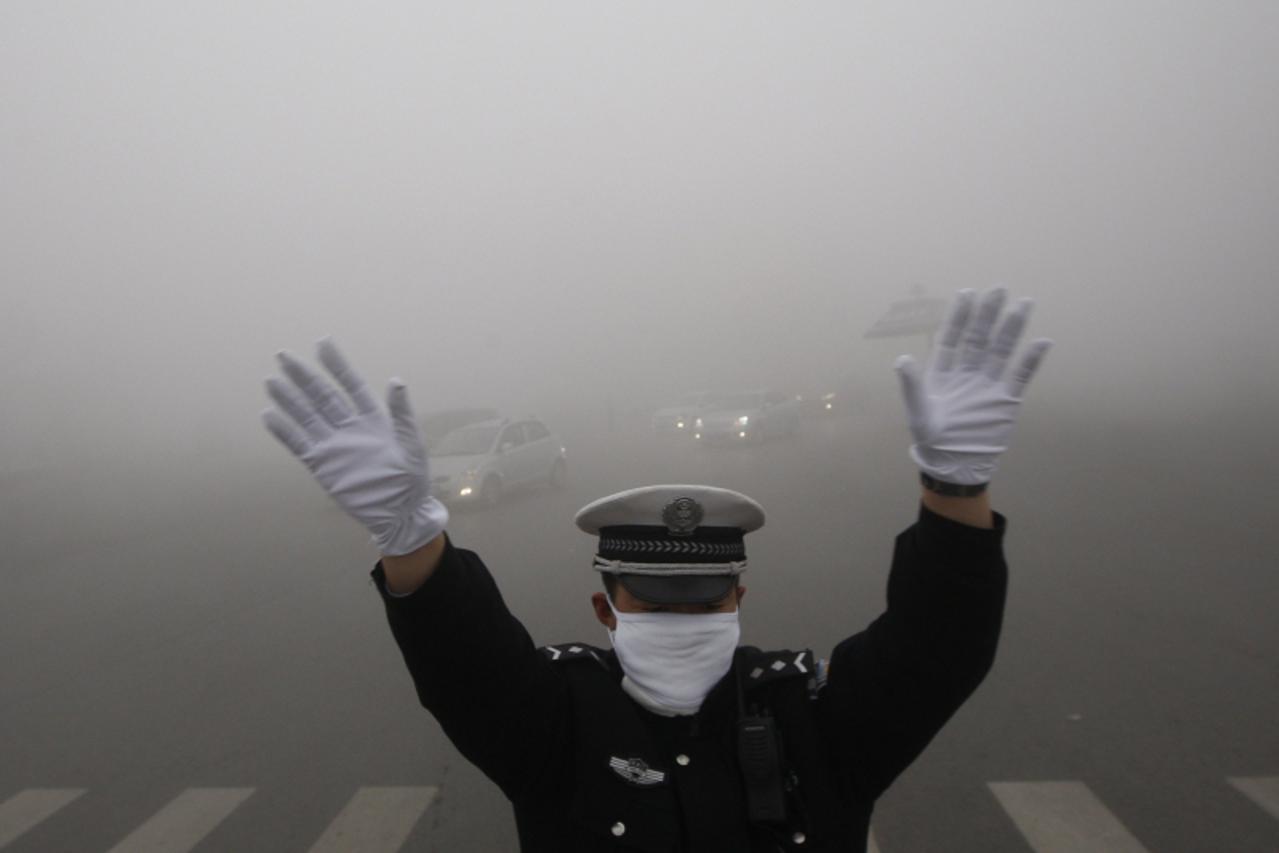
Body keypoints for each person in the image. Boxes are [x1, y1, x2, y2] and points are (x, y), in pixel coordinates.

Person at [261, 287, 1052, 852]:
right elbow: (460, 658)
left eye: (702, 597)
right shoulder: (554, 727)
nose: (683, 616)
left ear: (739, 597)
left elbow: (938, 646)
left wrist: (956, 489)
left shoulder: (812, 721)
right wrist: (406, 535)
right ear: (605, 611)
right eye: (653, 597)